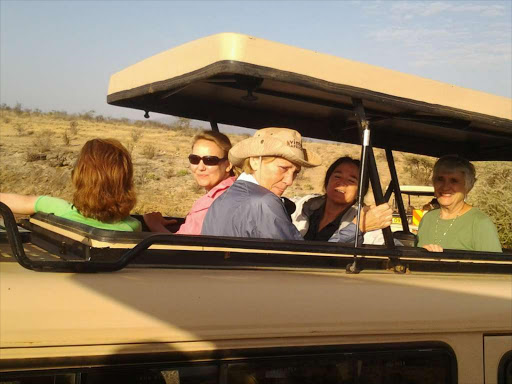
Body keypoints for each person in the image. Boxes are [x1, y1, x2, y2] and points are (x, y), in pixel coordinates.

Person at [201, 127, 320, 240]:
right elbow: (295, 258)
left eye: (295, 173)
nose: (289, 181)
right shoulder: (265, 202)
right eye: (283, 168)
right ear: (254, 162)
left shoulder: (220, 201)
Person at [0, 138, 140, 231]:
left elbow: (17, 202)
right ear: (127, 183)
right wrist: (156, 225)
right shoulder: (131, 227)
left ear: (77, 177)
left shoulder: (59, 209)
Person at [143, 131, 236, 235]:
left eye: (210, 160)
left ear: (228, 165)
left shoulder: (215, 204)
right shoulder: (235, 189)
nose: (200, 167)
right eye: (194, 159)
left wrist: (154, 224)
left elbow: (182, 247)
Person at [292, 156, 393, 244]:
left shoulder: (364, 219)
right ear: (327, 181)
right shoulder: (304, 205)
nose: (342, 183)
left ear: (361, 190)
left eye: (351, 180)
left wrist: (359, 228)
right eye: (337, 176)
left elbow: (384, 242)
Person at [416, 155, 502, 252]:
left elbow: (493, 267)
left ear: (467, 186)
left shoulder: (480, 223)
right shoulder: (427, 218)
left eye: (454, 181)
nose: (445, 187)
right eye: (440, 179)